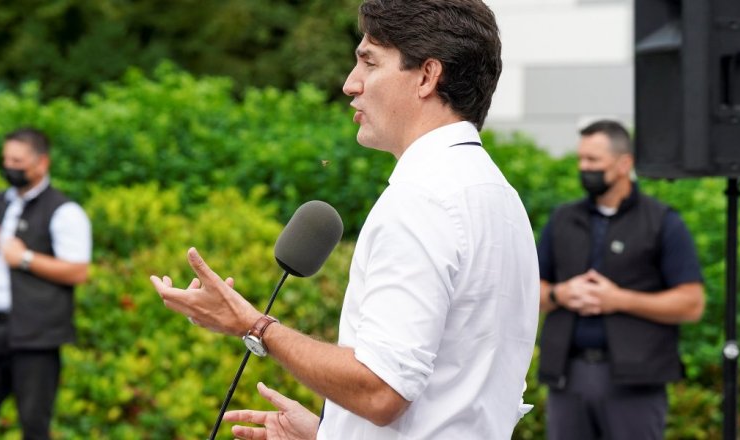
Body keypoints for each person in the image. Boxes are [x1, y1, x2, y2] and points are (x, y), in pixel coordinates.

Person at [150, 0, 539, 438]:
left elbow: (381, 391)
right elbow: (454, 401)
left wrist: (252, 324)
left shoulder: (422, 199)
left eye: (369, 62)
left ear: (428, 76)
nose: (350, 84)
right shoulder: (499, 198)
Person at [536, 120, 705, 440]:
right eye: (581, 159)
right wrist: (560, 293)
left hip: (634, 383)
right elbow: (528, 292)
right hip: (567, 378)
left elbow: (691, 303)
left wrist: (619, 300)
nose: (583, 168)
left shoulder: (662, 222)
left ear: (624, 163)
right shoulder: (562, 219)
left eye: (593, 161)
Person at [0, 128, 92, 439]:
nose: (9, 166)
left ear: (41, 163)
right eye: (5, 159)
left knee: (34, 426)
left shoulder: (65, 211)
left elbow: (78, 271)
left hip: (37, 339)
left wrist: (26, 258)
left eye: (17, 160)